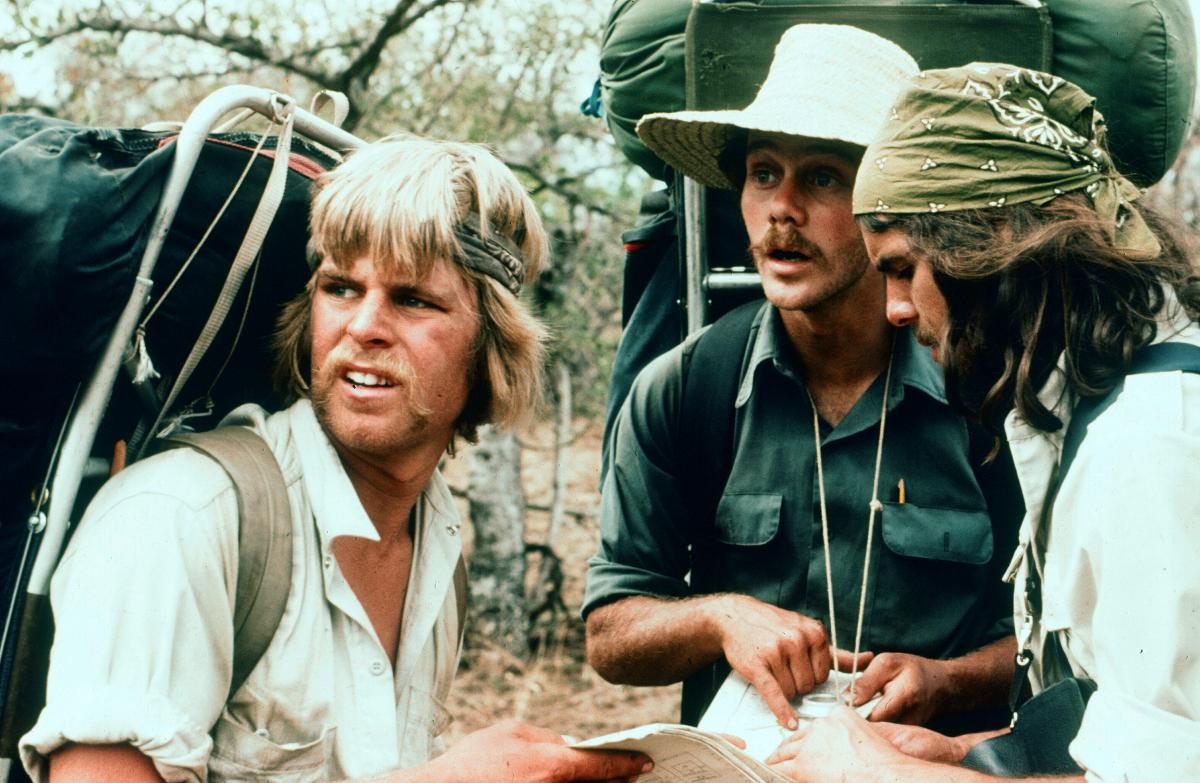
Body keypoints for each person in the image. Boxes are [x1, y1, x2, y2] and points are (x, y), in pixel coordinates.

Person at [18, 137, 651, 783]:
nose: (364, 326)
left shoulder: (435, 542)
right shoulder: (179, 517)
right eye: (341, 287)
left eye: (413, 299)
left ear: (492, 338)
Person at [583, 25, 1024, 734]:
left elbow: (1063, 636)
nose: (782, 209)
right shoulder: (687, 389)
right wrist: (720, 617)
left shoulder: (985, 391)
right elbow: (610, 632)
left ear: (889, 205)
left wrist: (947, 681)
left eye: (822, 176)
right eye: (763, 173)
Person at [767, 63, 1200, 782]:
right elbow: (1122, 725)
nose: (895, 311)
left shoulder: (1150, 446)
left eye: (905, 268)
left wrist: (876, 773)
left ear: (991, 243)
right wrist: (965, 752)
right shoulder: (1088, 413)